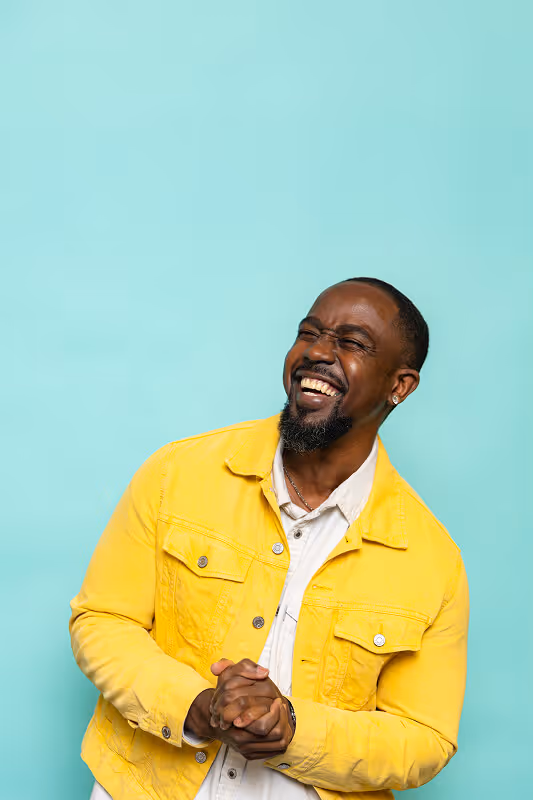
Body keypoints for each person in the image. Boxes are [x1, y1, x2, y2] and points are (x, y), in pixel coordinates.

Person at [70, 277, 469, 800]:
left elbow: (423, 738)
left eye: (351, 342)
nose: (317, 353)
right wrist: (196, 707)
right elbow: (102, 620)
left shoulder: (432, 561)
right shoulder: (177, 474)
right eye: (309, 332)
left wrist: (294, 730)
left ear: (401, 385)